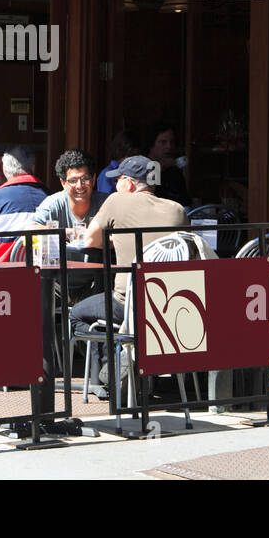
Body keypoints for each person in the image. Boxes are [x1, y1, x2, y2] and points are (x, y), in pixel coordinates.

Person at [73, 154, 188, 393]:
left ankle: (113, 370)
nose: (115, 186)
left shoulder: (118, 201)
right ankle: (138, 366)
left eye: (118, 180)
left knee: (77, 314)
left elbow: (89, 239)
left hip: (128, 303)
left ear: (130, 183)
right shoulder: (177, 210)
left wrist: (116, 239)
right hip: (171, 305)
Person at [30, 149, 108, 234]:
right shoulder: (53, 204)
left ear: (93, 179)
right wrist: (69, 232)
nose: (79, 186)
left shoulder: (107, 203)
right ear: (63, 183)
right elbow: (30, 229)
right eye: (73, 181)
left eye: (85, 179)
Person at [146, 122, 191, 207]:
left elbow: (185, 202)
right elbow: (150, 199)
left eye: (172, 142)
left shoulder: (174, 170)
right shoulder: (144, 167)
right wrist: (161, 167)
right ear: (152, 145)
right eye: (163, 142)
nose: (169, 146)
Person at [95, 130, 141, 196]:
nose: (134, 159)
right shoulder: (107, 174)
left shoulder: (136, 171)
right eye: (132, 154)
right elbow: (105, 201)